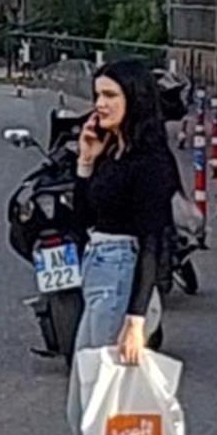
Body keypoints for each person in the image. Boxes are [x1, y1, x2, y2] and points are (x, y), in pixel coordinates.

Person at [72, 60, 181, 375]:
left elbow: (153, 240)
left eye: (110, 96)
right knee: (85, 386)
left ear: (134, 98)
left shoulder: (151, 161)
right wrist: (86, 162)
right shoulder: (112, 152)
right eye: (97, 96)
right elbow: (83, 219)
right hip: (97, 267)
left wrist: (136, 319)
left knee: (104, 390)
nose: (100, 105)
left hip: (121, 271)